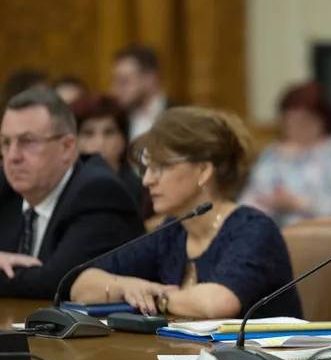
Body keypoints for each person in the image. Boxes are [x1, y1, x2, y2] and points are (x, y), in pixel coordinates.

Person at [70, 106, 303, 320]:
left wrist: (156, 297)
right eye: (147, 168)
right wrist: (126, 287)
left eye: (161, 167)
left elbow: (217, 304)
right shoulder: (173, 230)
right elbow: (81, 285)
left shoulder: (254, 229)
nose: (147, 180)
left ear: (203, 171)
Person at [0, 87, 144, 300]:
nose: (13, 157)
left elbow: (56, 282)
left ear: (67, 147)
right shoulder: (6, 186)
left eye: (28, 142)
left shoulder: (98, 192)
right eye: (5, 142)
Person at [239, 81, 331, 226]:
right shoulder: (273, 153)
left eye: (305, 121)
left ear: (323, 119)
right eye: (290, 120)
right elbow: (249, 204)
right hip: (277, 234)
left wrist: (296, 202)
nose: (297, 127)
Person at [71, 94, 145, 210]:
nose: (100, 143)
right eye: (88, 133)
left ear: (123, 139)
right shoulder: (64, 190)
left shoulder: (142, 193)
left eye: (109, 132)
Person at [111, 44, 174, 140]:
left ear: (149, 79)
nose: (115, 90)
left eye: (124, 81)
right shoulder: (117, 119)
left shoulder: (179, 116)